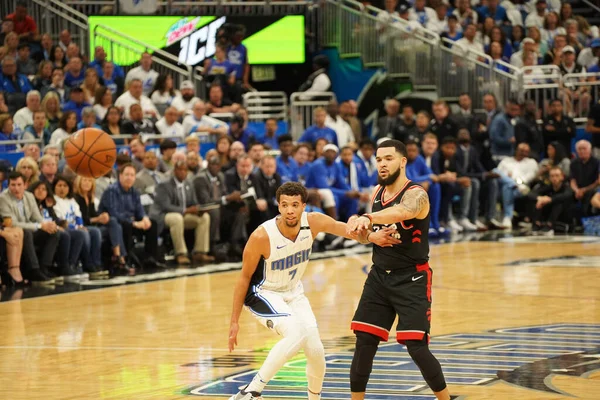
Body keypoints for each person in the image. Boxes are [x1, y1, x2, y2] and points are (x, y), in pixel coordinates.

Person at [227, 182, 398, 400]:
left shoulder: (314, 222)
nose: (290, 210)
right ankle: (251, 391)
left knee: (317, 354)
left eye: (295, 205)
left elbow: (347, 230)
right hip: (264, 293)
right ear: (278, 207)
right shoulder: (262, 236)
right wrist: (234, 321)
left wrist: (373, 237)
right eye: (285, 205)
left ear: (303, 206)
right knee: (296, 333)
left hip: (294, 292)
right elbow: (243, 278)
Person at [345, 139, 451, 400]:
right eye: (379, 159)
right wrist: (370, 236)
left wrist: (367, 218)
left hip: (412, 277)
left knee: (416, 346)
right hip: (379, 276)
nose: (382, 164)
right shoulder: (376, 193)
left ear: (402, 161)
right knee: (364, 341)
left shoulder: (417, 194)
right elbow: (365, 233)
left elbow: (402, 212)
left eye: (388, 158)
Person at [98, 164, 165, 270]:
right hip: (114, 224)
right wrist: (133, 222)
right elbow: (113, 213)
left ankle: (150, 258)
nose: (129, 178)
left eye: (132, 175)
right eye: (126, 175)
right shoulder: (111, 191)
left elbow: (139, 210)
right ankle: (126, 259)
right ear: (120, 176)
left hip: (131, 221)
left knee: (152, 224)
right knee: (126, 225)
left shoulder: (134, 191)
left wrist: (144, 218)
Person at [0, 172, 57, 285]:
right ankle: (33, 270)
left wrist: (47, 224)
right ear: (8, 185)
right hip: (17, 231)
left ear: (25, 185)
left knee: (54, 232)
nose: (16, 188)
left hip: (28, 229)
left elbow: (37, 217)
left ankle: (44, 267)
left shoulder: (29, 196)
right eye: (13, 185)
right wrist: (39, 226)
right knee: (26, 233)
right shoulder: (3, 198)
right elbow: (12, 224)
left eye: (19, 184)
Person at [152, 161, 214, 265]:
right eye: (180, 170)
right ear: (174, 171)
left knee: (205, 217)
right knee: (177, 218)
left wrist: (198, 210)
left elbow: (193, 202)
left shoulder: (189, 183)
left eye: (185, 170)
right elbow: (165, 206)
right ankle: (181, 254)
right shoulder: (164, 185)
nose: (182, 172)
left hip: (182, 216)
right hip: (163, 216)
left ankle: (200, 252)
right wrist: (185, 210)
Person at [73, 176, 129, 272]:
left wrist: (102, 216)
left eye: (89, 180)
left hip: (93, 226)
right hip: (83, 227)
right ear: (79, 182)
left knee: (114, 223)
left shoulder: (90, 197)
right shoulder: (76, 198)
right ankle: (119, 258)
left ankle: (118, 255)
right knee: (99, 230)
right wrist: (98, 219)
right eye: (85, 180)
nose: (87, 183)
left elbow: (93, 215)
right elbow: (82, 219)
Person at [495, 143, 540, 228]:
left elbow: (528, 178)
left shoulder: (531, 162)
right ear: (516, 150)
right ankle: (508, 217)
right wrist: (511, 182)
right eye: (522, 151)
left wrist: (514, 181)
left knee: (507, 188)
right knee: (496, 173)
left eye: (526, 151)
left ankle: (508, 217)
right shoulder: (506, 161)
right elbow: (498, 174)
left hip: (522, 189)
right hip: (505, 187)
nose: (524, 153)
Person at [527, 166, 573, 235]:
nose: (554, 178)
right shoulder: (548, 187)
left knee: (558, 203)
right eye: (552, 176)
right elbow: (530, 194)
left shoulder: (566, 187)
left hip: (565, 215)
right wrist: (540, 198)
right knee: (538, 201)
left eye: (557, 176)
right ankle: (537, 224)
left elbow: (566, 195)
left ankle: (549, 225)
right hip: (548, 213)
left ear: (562, 177)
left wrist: (550, 199)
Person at [569, 140, 600, 217]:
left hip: (592, 187)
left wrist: (584, 190)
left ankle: (587, 218)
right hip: (578, 189)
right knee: (567, 195)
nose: (582, 151)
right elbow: (572, 180)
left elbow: (598, 181)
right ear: (576, 151)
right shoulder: (573, 163)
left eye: (584, 148)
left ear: (590, 150)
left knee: (590, 194)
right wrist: (576, 190)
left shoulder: (596, 162)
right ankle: (571, 222)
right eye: (579, 149)